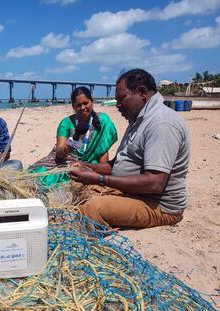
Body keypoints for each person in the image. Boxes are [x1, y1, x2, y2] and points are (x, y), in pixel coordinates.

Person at [70, 69, 190, 228]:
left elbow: (155, 183)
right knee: (78, 186)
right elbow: (115, 165)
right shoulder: (138, 119)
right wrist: (88, 167)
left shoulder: (161, 124)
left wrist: (99, 179)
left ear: (142, 93)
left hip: (158, 205)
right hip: (135, 194)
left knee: (92, 208)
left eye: (121, 99)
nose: (118, 105)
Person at [29, 86, 117, 187]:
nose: (83, 108)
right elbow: (59, 152)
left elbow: (102, 150)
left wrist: (102, 173)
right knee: (39, 175)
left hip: (89, 163)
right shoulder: (66, 123)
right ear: (73, 106)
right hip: (64, 161)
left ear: (92, 102)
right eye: (78, 105)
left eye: (85, 103)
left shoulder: (103, 121)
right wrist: (68, 148)